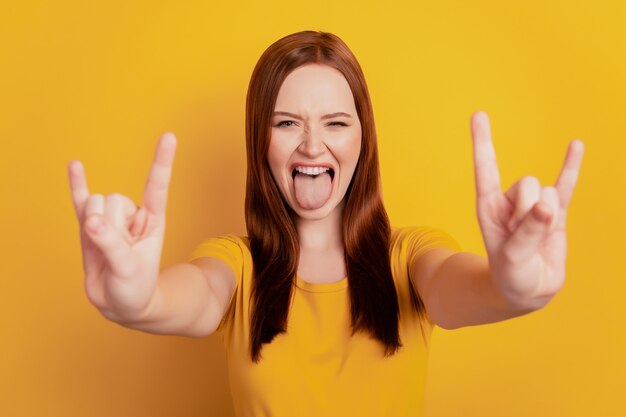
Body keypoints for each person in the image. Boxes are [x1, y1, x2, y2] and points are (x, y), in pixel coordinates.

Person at [67, 30, 584, 417]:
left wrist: (515, 286)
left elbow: (463, 292)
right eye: (287, 123)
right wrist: (133, 299)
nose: (313, 146)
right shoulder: (235, 265)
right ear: (261, 141)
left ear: (363, 139)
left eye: (336, 123)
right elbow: (191, 296)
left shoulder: (412, 257)